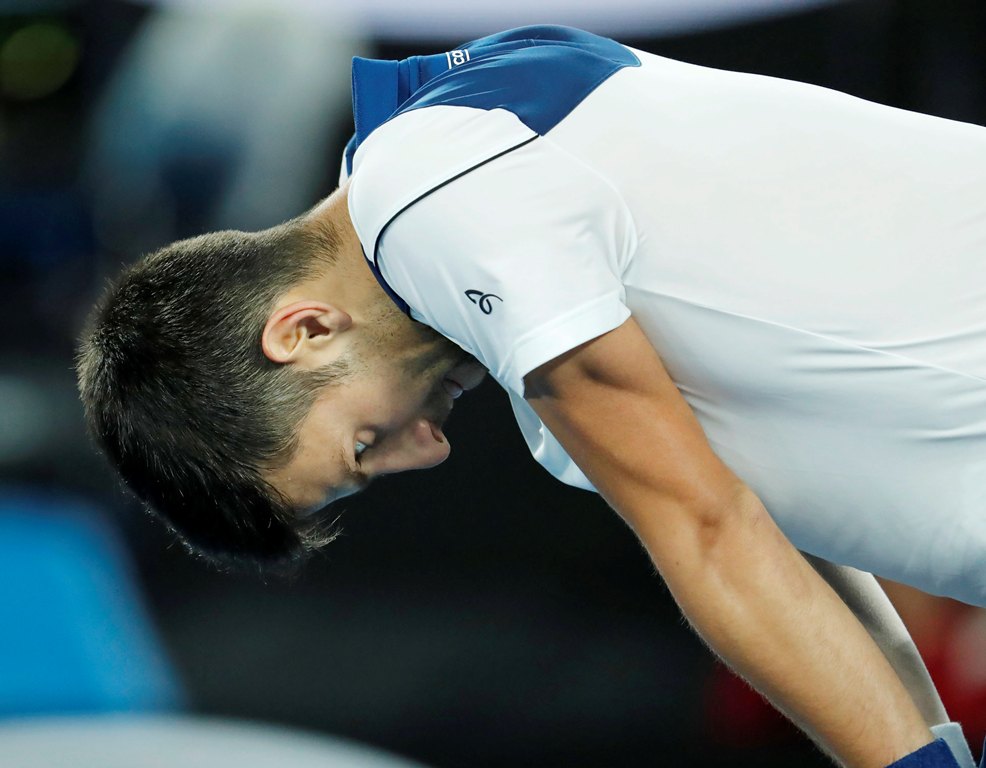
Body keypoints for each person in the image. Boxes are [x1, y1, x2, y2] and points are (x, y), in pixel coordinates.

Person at [76, 25, 986, 768]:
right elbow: (786, 542)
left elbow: (712, 535)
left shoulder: (440, 197)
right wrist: (928, 745)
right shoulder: (479, 206)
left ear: (304, 331)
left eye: (363, 446)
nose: (425, 452)